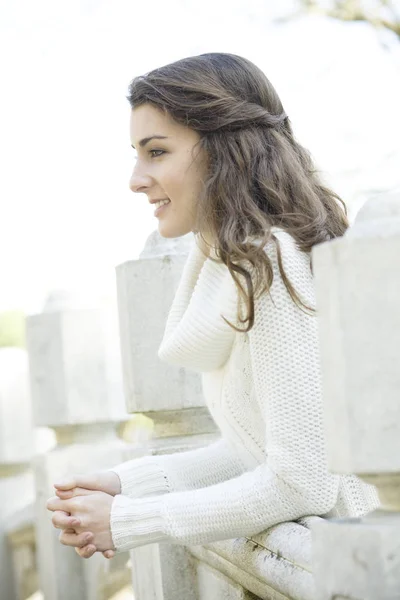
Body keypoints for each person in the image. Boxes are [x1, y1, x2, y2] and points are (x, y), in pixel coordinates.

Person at [46, 52, 380, 560]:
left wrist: (131, 520)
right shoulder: (231, 262)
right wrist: (125, 483)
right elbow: (253, 446)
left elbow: (302, 481)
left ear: (226, 149)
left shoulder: (273, 262)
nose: (136, 179)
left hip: (356, 566)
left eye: (156, 152)